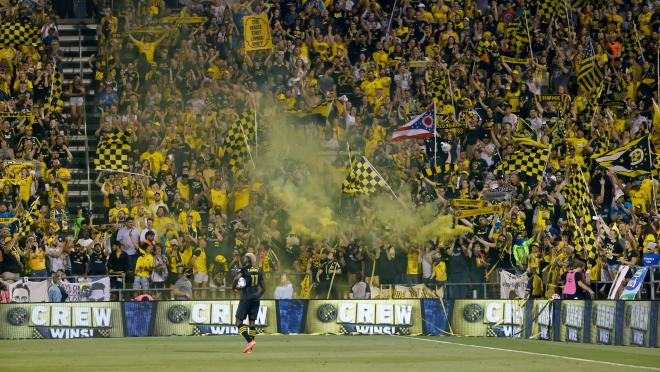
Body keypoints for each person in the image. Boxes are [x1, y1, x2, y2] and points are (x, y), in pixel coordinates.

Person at [233, 253, 265, 354]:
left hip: (246, 298)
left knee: (238, 322)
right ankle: (249, 349)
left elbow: (235, 279)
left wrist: (233, 288)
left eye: (244, 258)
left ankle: (250, 341)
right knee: (252, 322)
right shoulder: (258, 271)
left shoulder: (243, 270)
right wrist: (257, 297)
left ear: (246, 261)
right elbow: (264, 288)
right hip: (256, 298)